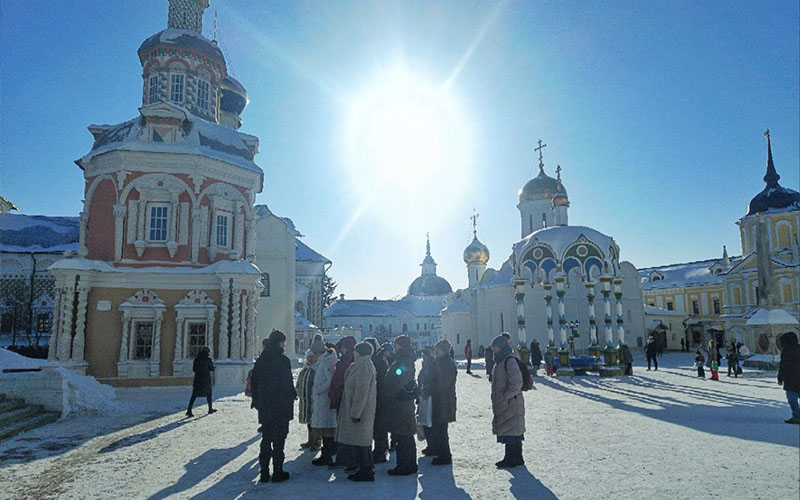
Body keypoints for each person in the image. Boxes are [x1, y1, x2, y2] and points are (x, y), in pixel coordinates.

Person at [252, 330, 296, 483]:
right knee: (279, 441)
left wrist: (258, 402)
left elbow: (254, 383)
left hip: (266, 406)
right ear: (279, 342)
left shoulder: (261, 360)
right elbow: (287, 384)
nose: (285, 344)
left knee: (266, 439)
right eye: (283, 341)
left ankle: (264, 472)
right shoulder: (283, 361)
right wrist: (292, 395)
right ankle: (278, 471)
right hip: (281, 406)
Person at [336, 341, 378, 481]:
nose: (353, 352)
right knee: (359, 441)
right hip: (356, 409)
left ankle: (366, 471)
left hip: (361, 412)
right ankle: (364, 468)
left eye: (355, 350)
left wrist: (356, 413)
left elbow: (362, 392)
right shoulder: (358, 365)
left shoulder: (364, 367)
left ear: (361, 352)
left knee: (362, 442)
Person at [383, 335, 418, 475]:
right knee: (405, 435)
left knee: (404, 436)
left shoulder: (404, 361)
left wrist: (390, 390)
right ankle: (409, 464)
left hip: (400, 402)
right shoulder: (404, 359)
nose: (394, 347)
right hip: (401, 402)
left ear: (401, 346)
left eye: (396, 344)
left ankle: (405, 465)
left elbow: (399, 379)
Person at [490, 335, 525, 468]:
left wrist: (506, 395)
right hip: (509, 401)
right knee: (513, 429)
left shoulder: (509, 361)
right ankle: (517, 457)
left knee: (511, 430)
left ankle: (510, 458)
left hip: (511, 401)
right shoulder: (501, 360)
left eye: (495, 346)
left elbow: (516, 381)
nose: (493, 349)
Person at [426, 339, 457, 465]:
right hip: (441, 399)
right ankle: (441, 453)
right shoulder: (441, 361)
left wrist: (428, 388)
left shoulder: (445, 363)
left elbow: (442, 382)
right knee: (439, 428)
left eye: (437, 348)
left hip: (444, 400)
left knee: (441, 429)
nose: (435, 351)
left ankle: (445, 455)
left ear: (443, 350)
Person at [329, 335, 357, 468]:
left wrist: (336, 391)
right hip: (340, 397)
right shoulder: (345, 359)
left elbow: (344, 380)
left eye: (342, 347)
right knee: (342, 430)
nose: (340, 350)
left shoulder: (349, 360)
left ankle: (345, 459)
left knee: (345, 431)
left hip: (343, 399)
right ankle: (342, 458)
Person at [311, 338, 339, 467]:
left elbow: (331, 379)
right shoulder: (323, 361)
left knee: (327, 430)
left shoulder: (327, 362)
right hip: (322, 400)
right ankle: (326, 453)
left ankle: (326, 455)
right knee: (325, 429)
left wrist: (319, 389)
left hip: (325, 400)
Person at [371, 339, 392, 464]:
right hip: (381, 398)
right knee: (379, 427)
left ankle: (380, 451)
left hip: (380, 398)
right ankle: (380, 450)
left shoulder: (377, 361)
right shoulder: (379, 360)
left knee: (379, 427)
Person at [297, 349, 319, 450]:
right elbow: (299, 383)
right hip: (305, 400)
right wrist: (298, 392)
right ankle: (310, 440)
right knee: (309, 421)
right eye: (308, 357)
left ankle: (317, 441)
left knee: (315, 421)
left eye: (312, 356)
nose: (310, 359)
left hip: (314, 400)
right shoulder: (305, 370)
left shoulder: (317, 369)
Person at [777, 332, 800, 424]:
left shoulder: (786, 351)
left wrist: (780, 378)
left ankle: (797, 416)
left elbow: (783, 366)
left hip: (790, 379)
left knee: (792, 399)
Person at [186, 346, 216, 417]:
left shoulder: (197, 359)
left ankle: (189, 410)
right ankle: (210, 409)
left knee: (194, 395)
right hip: (206, 379)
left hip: (198, 380)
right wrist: (213, 367)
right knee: (209, 394)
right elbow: (211, 368)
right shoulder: (208, 359)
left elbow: (194, 369)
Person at [418, 346, 435, 456]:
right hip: (423, 394)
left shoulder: (432, 366)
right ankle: (430, 445)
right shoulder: (425, 365)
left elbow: (433, 380)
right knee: (424, 420)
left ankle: (433, 446)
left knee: (429, 421)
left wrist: (426, 389)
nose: (423, 356)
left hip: (429, 396)